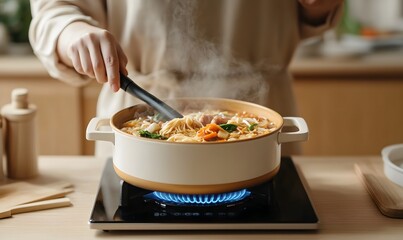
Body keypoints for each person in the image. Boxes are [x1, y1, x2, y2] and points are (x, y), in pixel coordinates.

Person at [29, 0, 343, 157]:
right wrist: (71, 31)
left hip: (260, 117)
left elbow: (315, 12)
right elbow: (54, 10)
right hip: (137, 113)